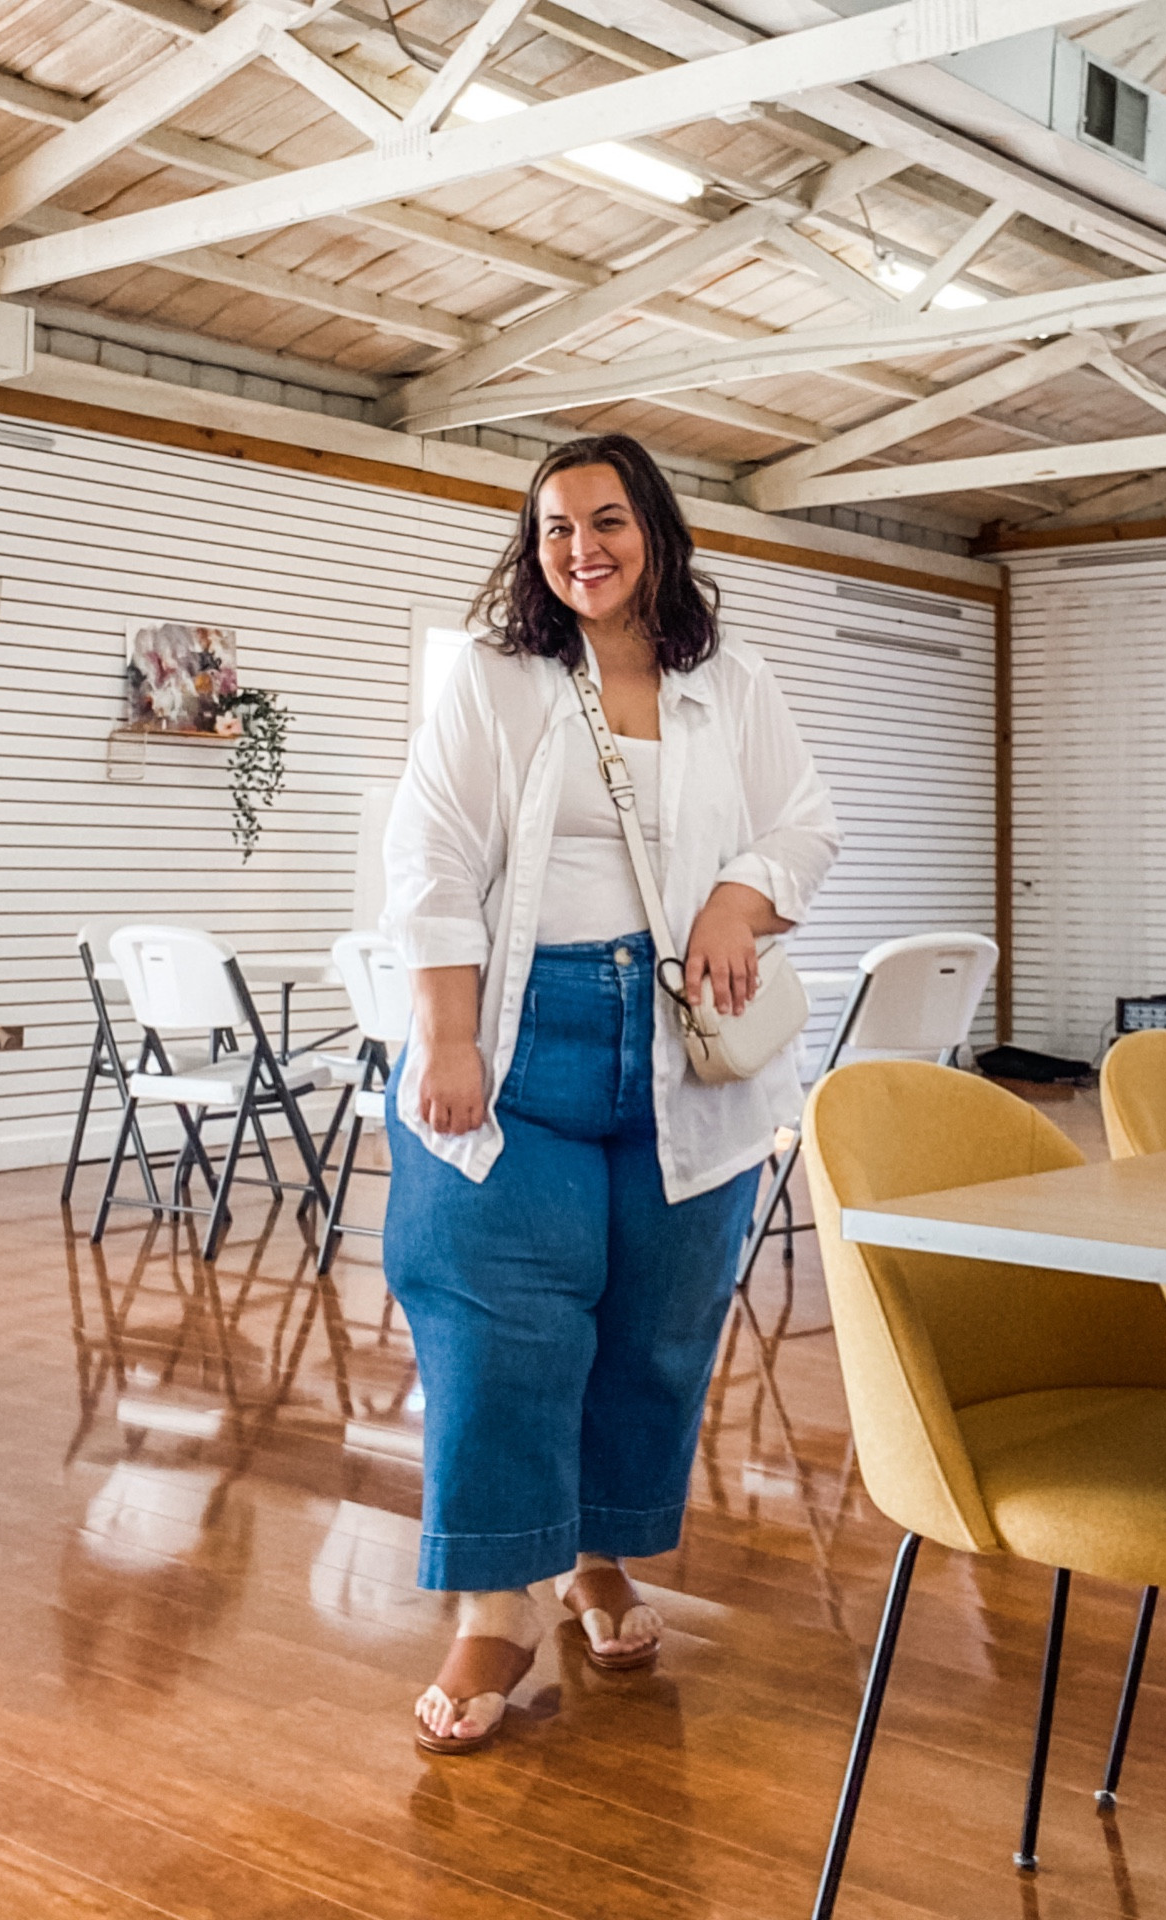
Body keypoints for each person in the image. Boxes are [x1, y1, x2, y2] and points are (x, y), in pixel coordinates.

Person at [380, 432, 839, 1755]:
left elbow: (802, 818)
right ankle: (496, 1602)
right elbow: (431, 860)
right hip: (519, 1035)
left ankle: (596, 1561)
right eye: (554, 528)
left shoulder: (727, 680)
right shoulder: (494, 677)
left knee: (655, 1321)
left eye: (605, 519)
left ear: (658, 531)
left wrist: (743, 902)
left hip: (681, 1042)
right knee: (499, 1314)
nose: (580, 546)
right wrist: (449, 1039)